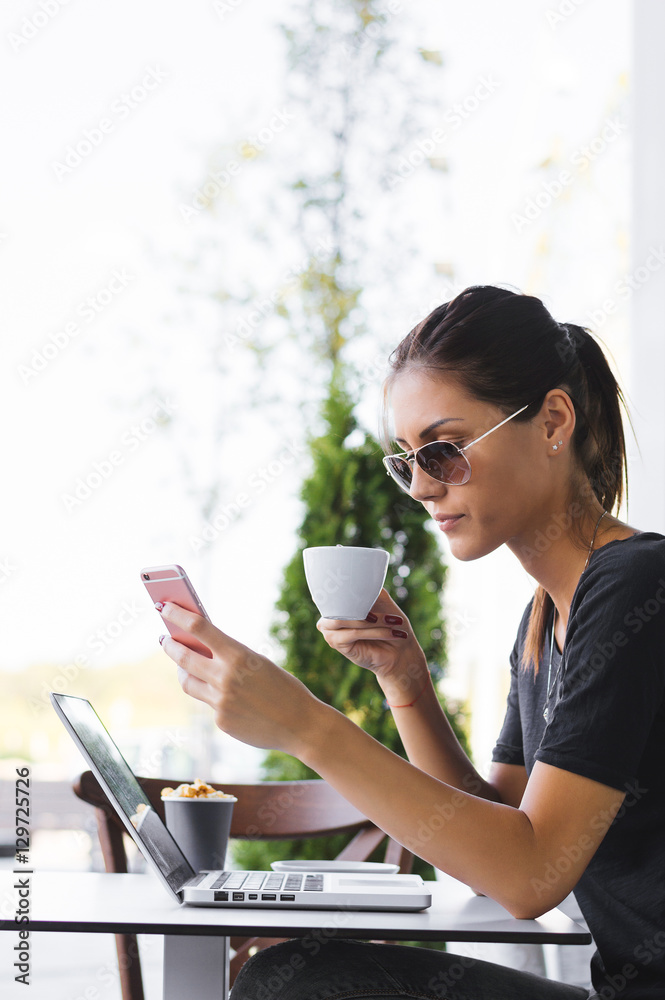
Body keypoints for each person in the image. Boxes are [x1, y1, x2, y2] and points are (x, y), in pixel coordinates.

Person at [158, 285, 665, 999]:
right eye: (407, 461)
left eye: (445, 450)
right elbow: (489, 851)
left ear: (552, 420)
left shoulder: (634, 585)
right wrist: (406, 685)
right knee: (284, 977)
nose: (422, 488)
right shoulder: (542, 620)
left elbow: (529, 876)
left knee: (288, 987)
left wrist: (306, 727)